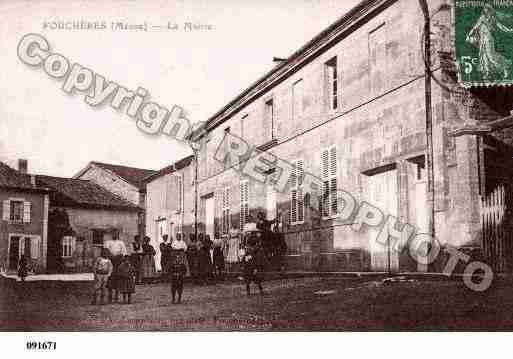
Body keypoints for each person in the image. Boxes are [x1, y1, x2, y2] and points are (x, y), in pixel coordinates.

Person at [105, 234, 127, 303]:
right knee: (110, 279)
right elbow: (106, 251)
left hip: (118, 261)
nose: (114, 235)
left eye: (116, 233)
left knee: (118, 279)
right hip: (111, 261)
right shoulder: (108, 242)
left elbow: (124, 252)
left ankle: (116, 297)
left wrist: (119, 258)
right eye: (113, 233)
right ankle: (110, 297)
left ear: (117, 235)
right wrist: (111, 256)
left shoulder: (121, 242)